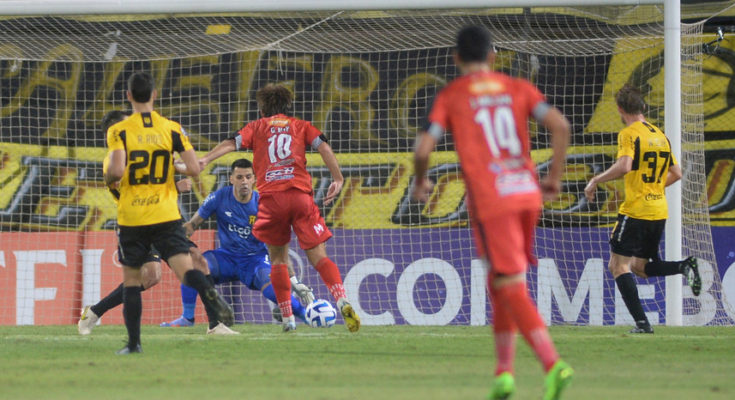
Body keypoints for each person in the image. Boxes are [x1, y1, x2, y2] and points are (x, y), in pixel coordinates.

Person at [412, 26, 573, 400]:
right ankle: (504, 373)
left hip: (491, 200)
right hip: (527, 193)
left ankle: (553, 364)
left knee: (508, 283)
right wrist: (553, 178)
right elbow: (560, 126)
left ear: (456, 58)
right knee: (500, 280)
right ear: (493, 56)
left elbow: (423, 150)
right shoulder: (517, 88)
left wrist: (421, 183)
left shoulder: (451, 96)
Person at [198, 83, 360, 333]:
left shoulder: (256, 127)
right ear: (288, 106)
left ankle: (288, 319)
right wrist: (337, 178)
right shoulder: (301, 126)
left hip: (272, 199)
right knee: (319, 257)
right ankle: (342, 299)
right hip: (299, 195)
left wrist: (206, 159)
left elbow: (232, 143)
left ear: (262, 107)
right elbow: (324, 147)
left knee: (277, 260)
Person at [105, 71, 233, 354]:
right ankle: (211, 299)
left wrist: (111, 177)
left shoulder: (119, 130)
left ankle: (134, 344)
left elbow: (115, 171)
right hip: (166, 214)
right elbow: (196, 168)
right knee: (187, 270)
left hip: (133, 217)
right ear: (154, 95)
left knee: (132, 281)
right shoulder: (172, 129)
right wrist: (176, 169)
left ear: (128, 96)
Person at [584, 83, 701, 334]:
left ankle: (642, 325)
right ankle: (684, 266)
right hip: (659, 210)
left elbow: (625, 166)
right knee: (640, 267)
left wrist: (596, 179)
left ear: (619, 109)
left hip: (636, 210)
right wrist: (656, 188)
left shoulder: (629, 134)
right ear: (643, 107)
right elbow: (677, 173)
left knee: (618, 266)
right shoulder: (660, 135)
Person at [77, 110, 201, 335]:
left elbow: (167, 168)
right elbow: (133, 193)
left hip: (165, 219)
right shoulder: (112, 163)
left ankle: (215, 324)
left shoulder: (142, 152)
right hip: (139, 223)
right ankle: (95, 312)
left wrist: (179, 166)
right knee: (151, 276)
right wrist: (175, 186)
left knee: (197, 259)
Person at [160, 158, 316, 328]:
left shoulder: (264, 205)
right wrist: (173, 237)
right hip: (226, 257)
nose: (244, 182)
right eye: (240, 177)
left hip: (254, 259)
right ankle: (187, 318)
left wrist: (294, 280)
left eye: (248, 177)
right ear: (231, 179)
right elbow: (192, 224)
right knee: (191, 266)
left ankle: (307, 315)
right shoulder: (219, 197)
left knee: (272, 287)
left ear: (254, 179)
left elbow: (279, 247)